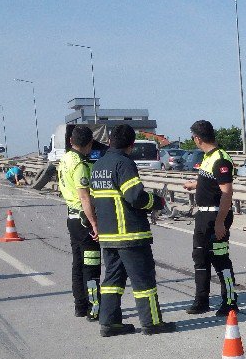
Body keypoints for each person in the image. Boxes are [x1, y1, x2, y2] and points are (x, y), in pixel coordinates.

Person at [84, 124, 174, 337]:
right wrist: (157, 201)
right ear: (131, 145)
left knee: (112, 281)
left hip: (107, 234)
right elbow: (135, 197)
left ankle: (109, 323)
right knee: (144, 281)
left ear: (109, 141)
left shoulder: (98, 166)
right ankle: (151, 323)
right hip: (130, 234)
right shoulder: (124, 164)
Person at [181, 120, 238, 316]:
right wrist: (195, 184)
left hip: (215, 216)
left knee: (220, 259)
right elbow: (210, 181)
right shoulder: (208, 157)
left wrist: (220, 222)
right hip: (203, 215)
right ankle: (201, 301)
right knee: (200, 258)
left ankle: (230, 301)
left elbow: (226, 193)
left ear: (197, 138)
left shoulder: (220, 159)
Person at [58, 127, 101, 320]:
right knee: (91, 266)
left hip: (72, 218)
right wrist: (94, 223)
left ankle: (80, 306)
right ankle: (95, 307)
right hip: (84, 220)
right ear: (90, 144)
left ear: (70, 141)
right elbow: (84, 197)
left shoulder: (65, 159)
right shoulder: (80, 164)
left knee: (77, 264)